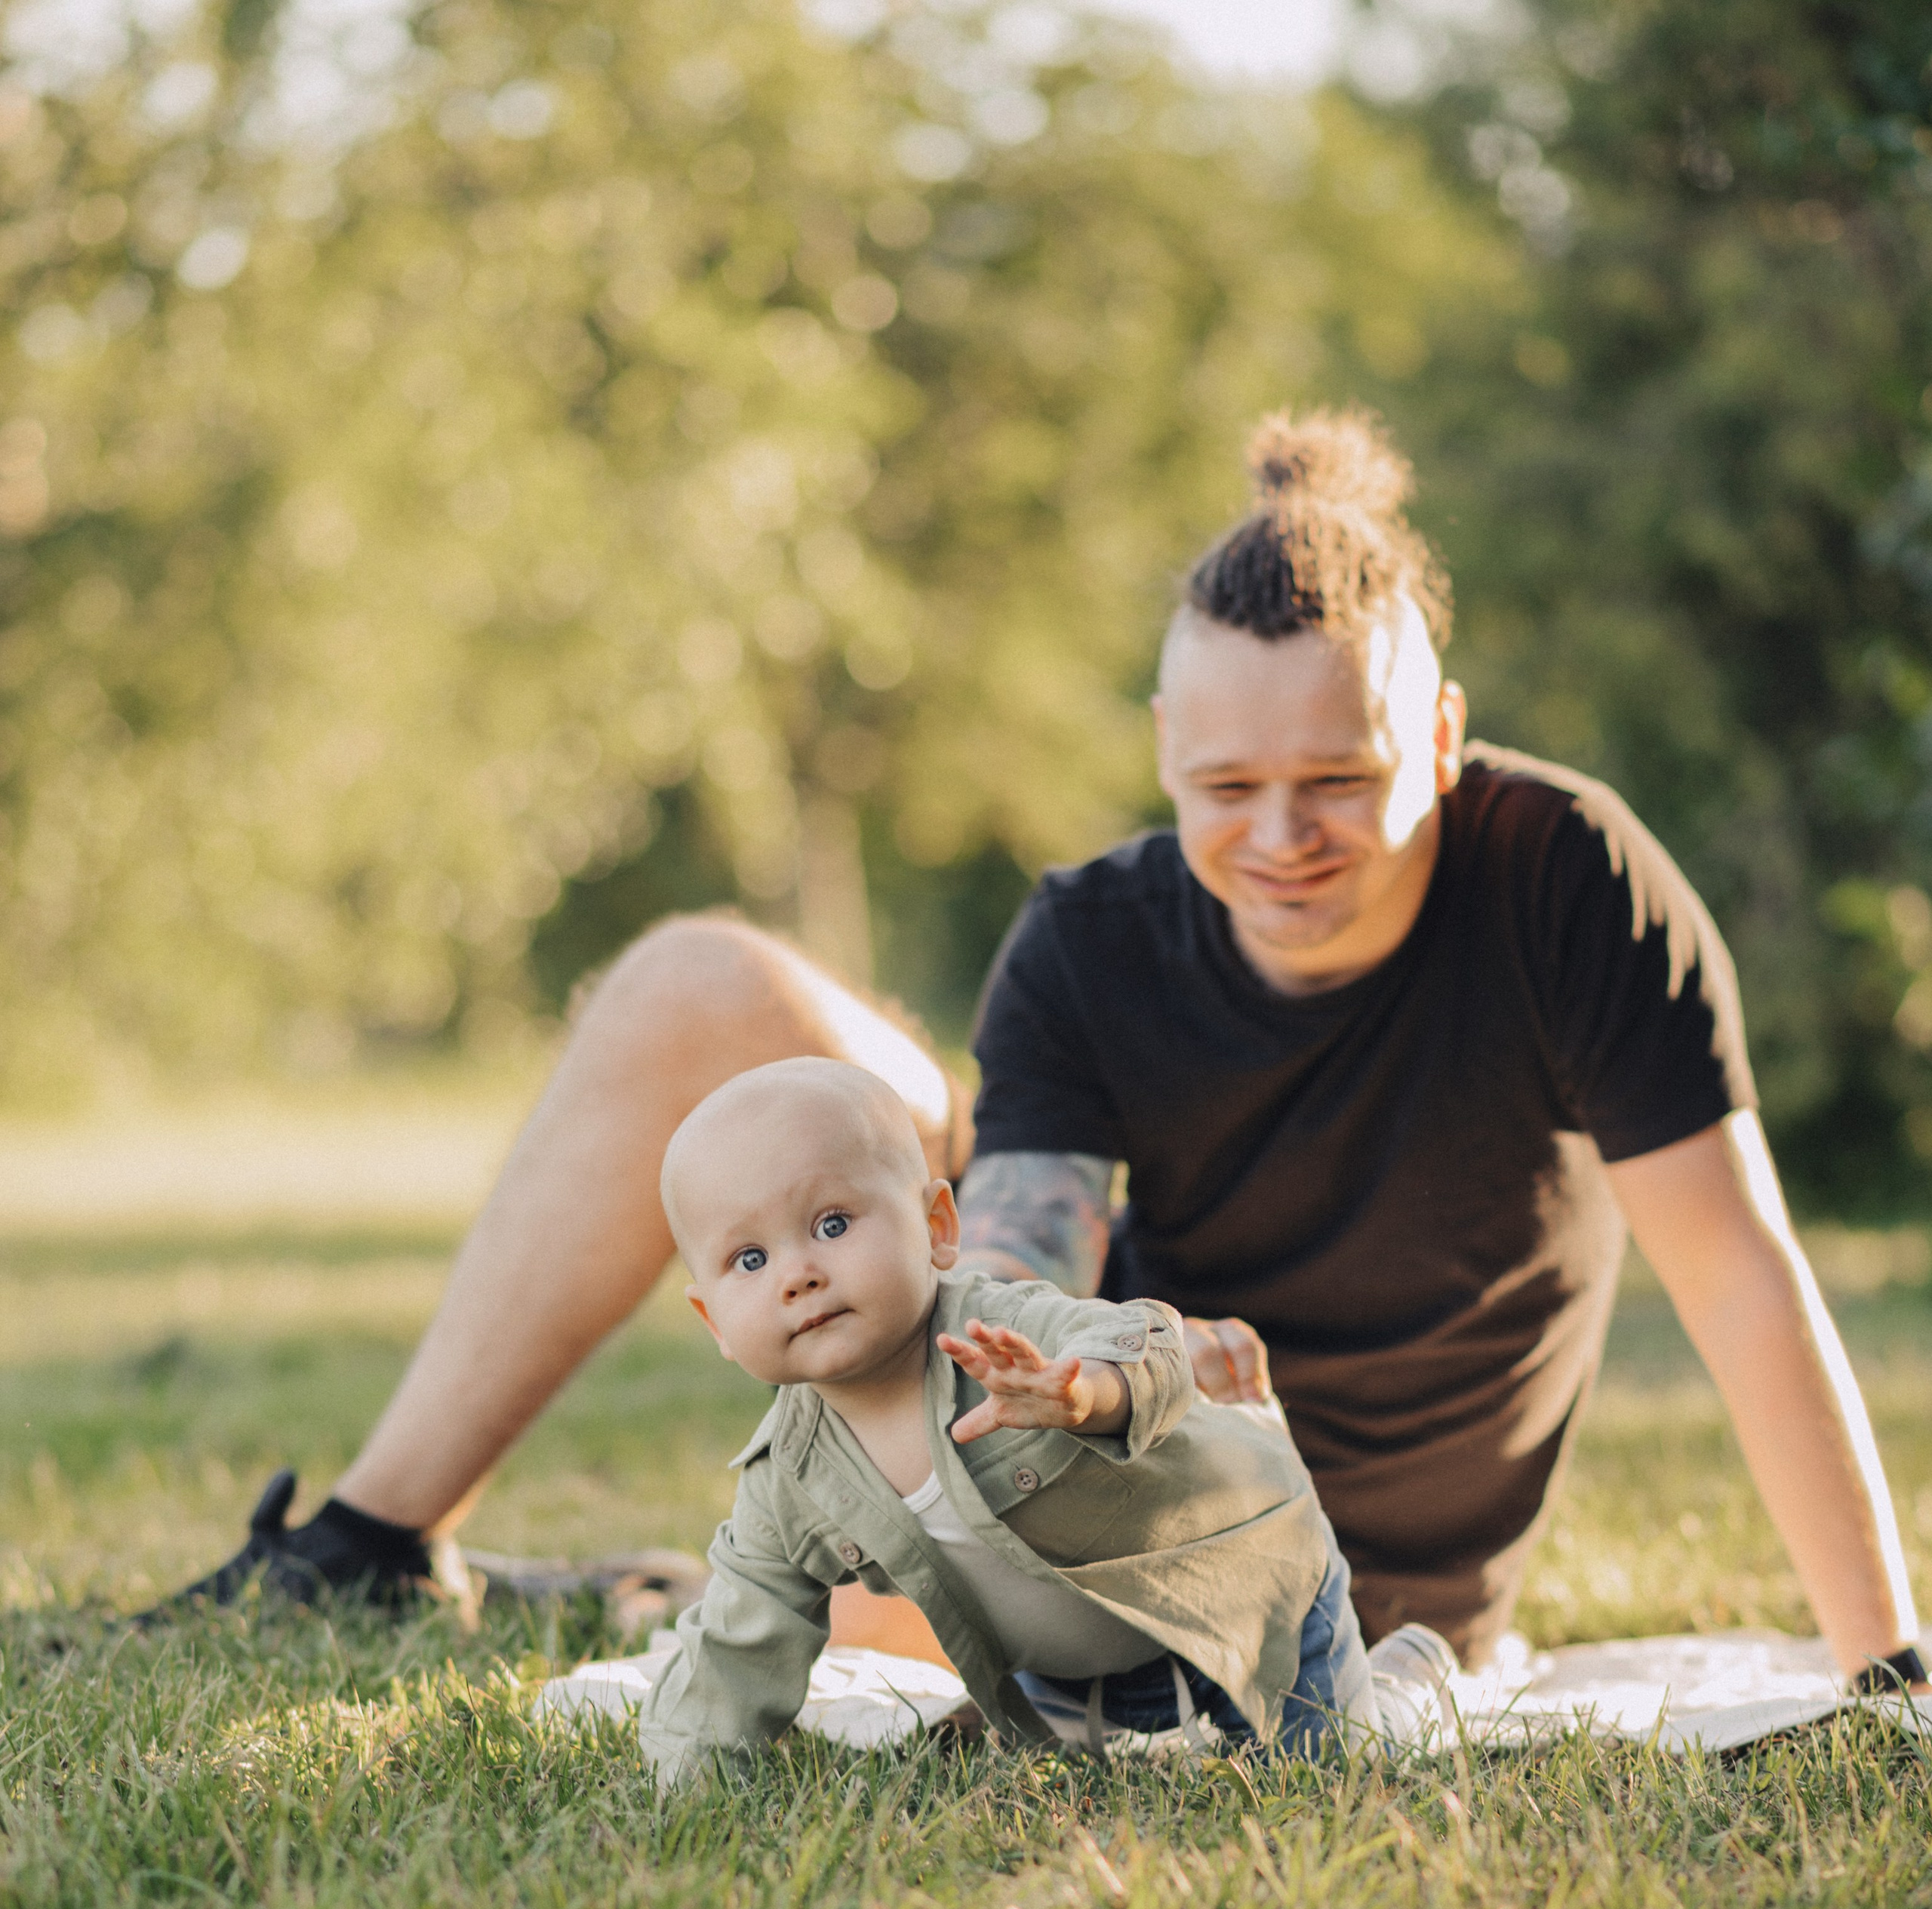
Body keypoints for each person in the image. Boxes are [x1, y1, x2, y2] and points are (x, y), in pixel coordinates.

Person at [168, 408, 1924, 1700]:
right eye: (1223, 789)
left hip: (1331, 1581)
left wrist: (1885, 1666)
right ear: (1163, 751)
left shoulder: (1565, 879)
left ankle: (673, 1592)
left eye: (1339, 780)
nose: (1282, 836)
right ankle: (370, 1549)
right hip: (1094, 1465)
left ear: (1442, 739)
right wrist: (870, 1408)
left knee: (838, 1593)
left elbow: (1736, 1275)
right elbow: (1001, 1305)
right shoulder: (1090, 932)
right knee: (702, 982)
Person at [623, 1056, 1394, 1779]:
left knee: (1335, 1771)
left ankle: (1400, 1677)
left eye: (831, 1223)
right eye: (749, 1259)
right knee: (1092, 1769)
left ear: (936, 1227)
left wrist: (1082, 1393)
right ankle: (1385, 1677)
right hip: (1079, 1677)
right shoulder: (788, 1478)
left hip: (1249, 1589)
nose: (798, 1273)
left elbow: (1147, 1341)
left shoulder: (999, 1331)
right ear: (712, 1319)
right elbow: (739, 1636)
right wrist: (682, 1778)